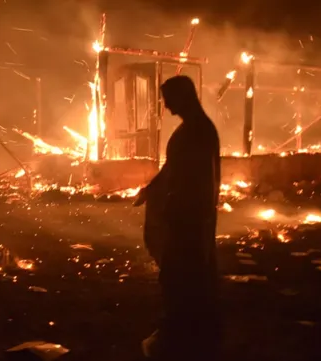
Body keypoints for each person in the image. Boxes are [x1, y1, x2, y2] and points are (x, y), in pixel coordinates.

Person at [133, 75, 221, 360]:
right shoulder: (193, 130)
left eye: (169, 99)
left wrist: (176, 206)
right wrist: (152, 190)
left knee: (183, 277)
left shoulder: (197, 132)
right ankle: (185, 333)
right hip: (187, 218)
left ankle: (182, 339)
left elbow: (194, 180)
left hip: (190, 221)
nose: (167, 107)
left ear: (184, 97)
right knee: (181, 277)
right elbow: (172, 168)